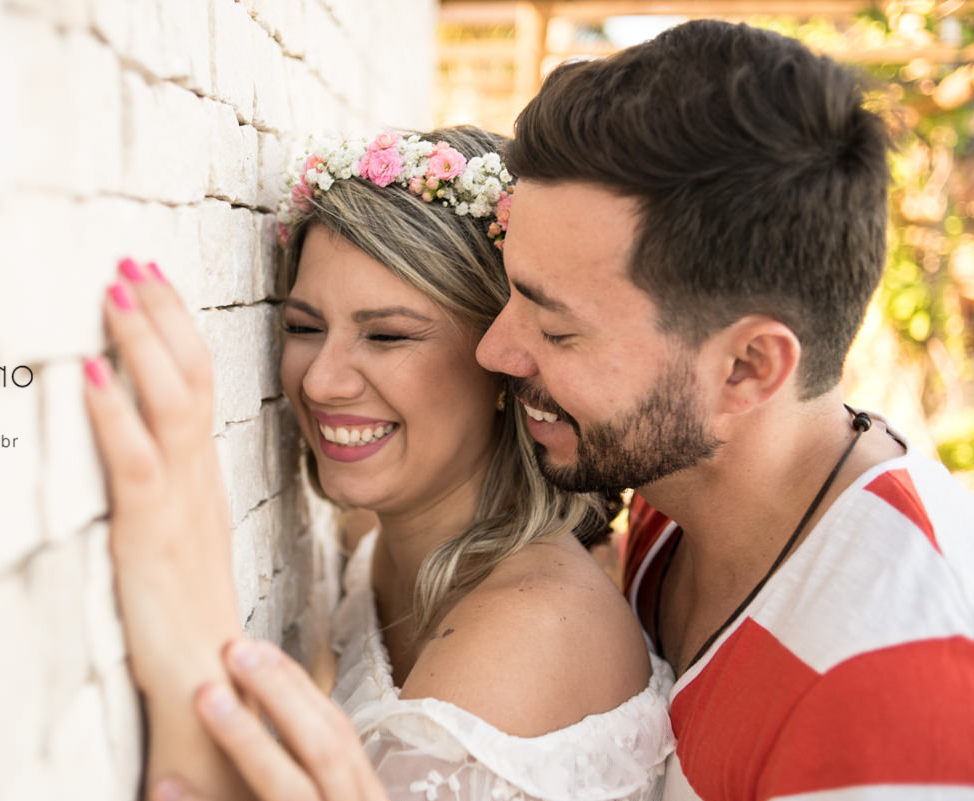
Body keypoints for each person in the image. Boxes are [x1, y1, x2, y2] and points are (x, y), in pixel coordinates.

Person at [149, 19, 974, 801]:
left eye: (555, 329)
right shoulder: (672, 490)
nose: (495, 350)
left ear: (748, 368)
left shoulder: (916, 690)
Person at [83, 125, 674, 801]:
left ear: (506, 363)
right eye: (304, 327)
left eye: (387, 335)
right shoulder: (381, 537)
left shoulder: (524, 644)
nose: (320, 382)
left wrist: (193, 608)